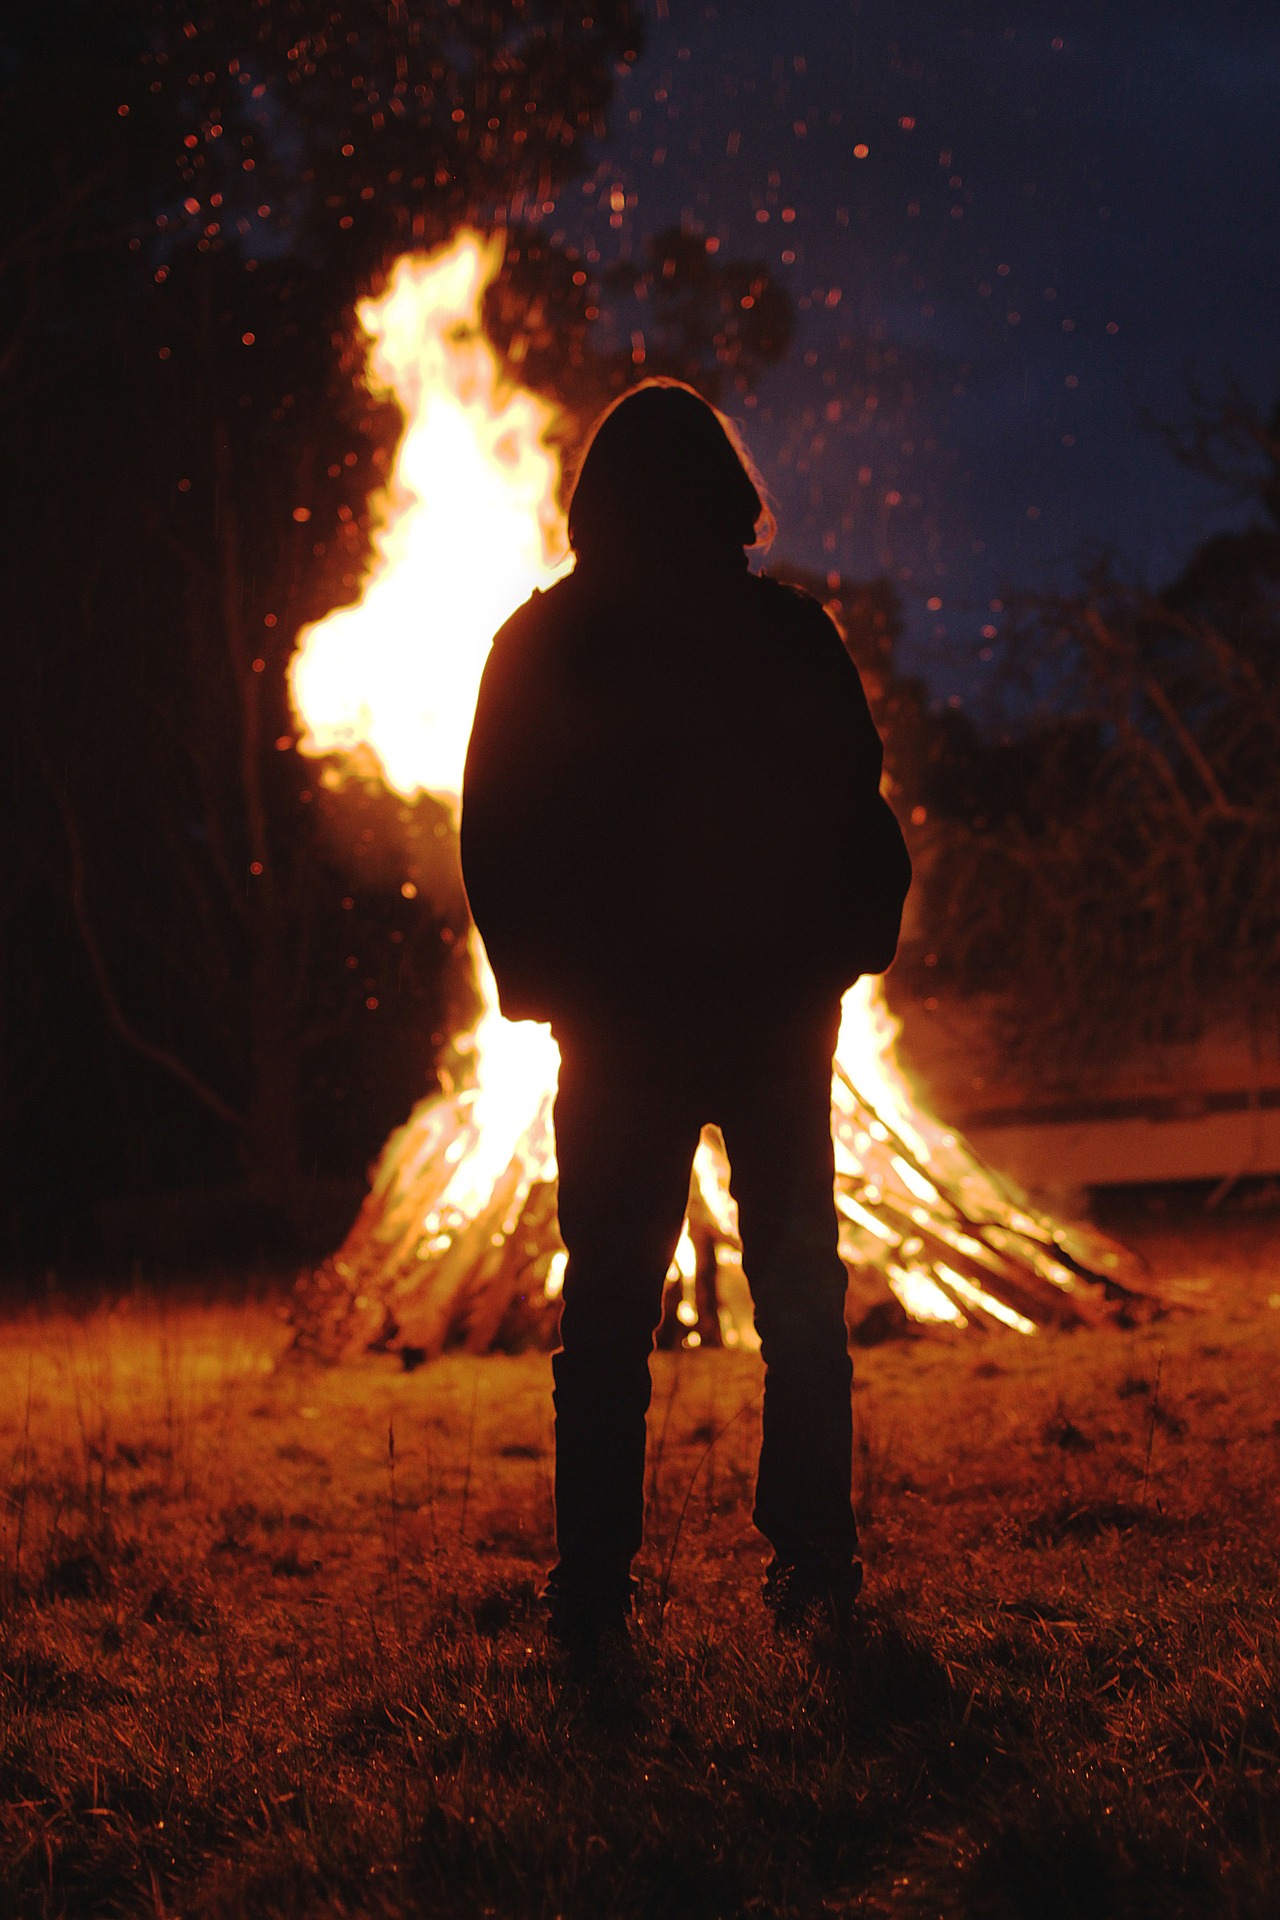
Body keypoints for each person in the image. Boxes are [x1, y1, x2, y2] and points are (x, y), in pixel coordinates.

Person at [461, 380, 910, 1646]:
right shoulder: (787, 635)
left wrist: (549, 986)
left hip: (622, 1033)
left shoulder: (541, 643)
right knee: (799, 1300)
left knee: (604, 1310)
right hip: (768, 1021)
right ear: (728, 493)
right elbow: (858, 812)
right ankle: (813, 1561)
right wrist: (839, 956)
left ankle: (593, 1586)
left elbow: (493, 833)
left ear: (594, 502)